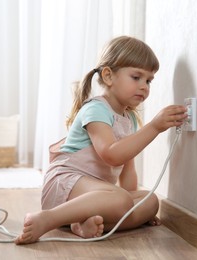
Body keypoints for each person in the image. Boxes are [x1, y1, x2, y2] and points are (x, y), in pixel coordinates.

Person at [15, 36, 187, 245]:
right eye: (136, 77)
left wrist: (138, 209)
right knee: (122, 201)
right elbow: (112, 154)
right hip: (66, 182)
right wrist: (154, 127)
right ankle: (48, 219)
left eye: (149, 80)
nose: (144, 86)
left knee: (149, 201)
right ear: (108, 76)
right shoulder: (96, 109)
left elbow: (127, 169)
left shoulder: (129, 118)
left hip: (96, 194)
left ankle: (82, 224)